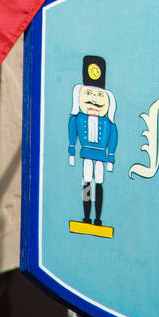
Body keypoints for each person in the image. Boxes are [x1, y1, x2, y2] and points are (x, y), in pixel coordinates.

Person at [68, 55, 117, 227]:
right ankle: (86, 216)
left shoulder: (107, 122)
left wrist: (110, 158)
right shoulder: (79, 118)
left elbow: (113, 138)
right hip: (87, 155)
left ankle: (98, 218)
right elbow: (72, 132)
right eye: (88, 94)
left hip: (101, 158)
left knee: (100, 183)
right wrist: (71, 152)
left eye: (98, 95)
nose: (94, 100)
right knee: (87, 182)